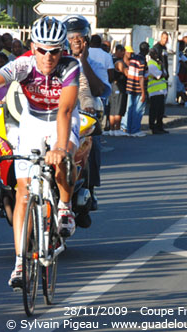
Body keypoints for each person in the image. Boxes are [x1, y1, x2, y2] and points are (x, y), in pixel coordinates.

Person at [0, 17, 80, 288]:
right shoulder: (22, 64)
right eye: (42, 50)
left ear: (63, 50)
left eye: (55, 51)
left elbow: (66, 110)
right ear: (32, 46)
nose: (48, 57)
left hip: (62, 118)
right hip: (34, 119)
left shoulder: (71, 66)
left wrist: (60, 148)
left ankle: (65, 206)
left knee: (64, 158)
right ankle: (20, 264)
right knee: (23, 192)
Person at [64, 15, 110, 213]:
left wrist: (83, 61)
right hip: (59, 115)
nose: (75, 40)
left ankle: (90, 189)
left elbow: (99, 90)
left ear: (87, 40)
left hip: (84, 118)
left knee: (94, 144)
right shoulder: (58, 62)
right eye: (71, 36)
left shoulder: (96, 65)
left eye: (79, 36)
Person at [122, 42, 148, 137]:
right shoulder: (142, 60)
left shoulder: (133, 59)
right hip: (138, 88)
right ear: (146, 50)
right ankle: (135, 130)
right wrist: (143, 92)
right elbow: (141, 77)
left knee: (130, 109)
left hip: (130, 86)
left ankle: (128, 129)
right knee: (138, 110)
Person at [108, 44, 128, 136]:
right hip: (119, 86)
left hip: (112, 85)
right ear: (118, 51)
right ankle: (117, 128)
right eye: (123, 52)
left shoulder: (111, 59)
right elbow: (126, 72)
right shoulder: (119, 62)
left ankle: (112, 129)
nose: (124, 54)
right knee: (119, 108)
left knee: (113, 108)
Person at [147, 47, 168, 134]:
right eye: (154, 54)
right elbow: (159, 75)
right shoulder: (151, 64)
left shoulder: (157, 63)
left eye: (156, 54)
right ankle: (153, 127)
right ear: (151, 55)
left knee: (160, 110)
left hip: (161, 90)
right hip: (154, 91)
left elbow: (165, 74)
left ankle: (160, 126)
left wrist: (162, 65)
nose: (156, 55)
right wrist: (162, 71)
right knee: (154, 110)